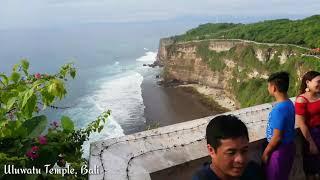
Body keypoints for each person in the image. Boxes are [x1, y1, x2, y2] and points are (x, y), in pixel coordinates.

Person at [192, 115, 264, 180]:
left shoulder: (252, 171)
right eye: (231, 153)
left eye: (244, 151)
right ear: (211, 150)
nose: (240, 160)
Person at [262, 71, 296, 180]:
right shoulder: (289, 103)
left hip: (278, 151)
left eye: (269, 86)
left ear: (274, 88)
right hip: (288, 147)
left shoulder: (279, 109)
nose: (268, 88)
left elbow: (277, 137)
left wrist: (266, 153)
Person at [295, 71, 320, 180]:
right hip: (312, 135)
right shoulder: (301, 100)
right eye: (318, 82)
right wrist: (311, 143)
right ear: (307, 82)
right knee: (312, 168)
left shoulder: (319, 95)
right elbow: (301, 124)